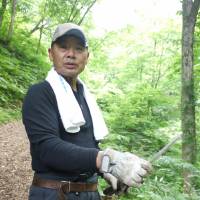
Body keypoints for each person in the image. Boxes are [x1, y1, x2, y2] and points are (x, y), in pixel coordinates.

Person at [22, 22, 152, 200]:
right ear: (51, 53)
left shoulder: (86, 98)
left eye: (78, 49)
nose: (71, 54)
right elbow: (47, 148)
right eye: (63, 47)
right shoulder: (40, 93)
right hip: (54, 193)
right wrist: (105, 160)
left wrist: (106, 172)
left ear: (87, 56)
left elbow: (87, 146)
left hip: (90, 193)